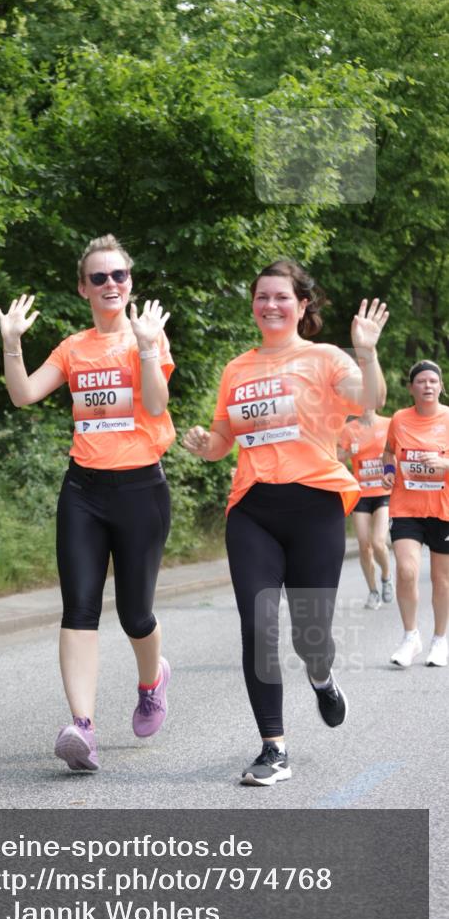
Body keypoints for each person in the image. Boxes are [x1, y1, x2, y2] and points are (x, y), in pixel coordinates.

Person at [183, 260, 388, 786]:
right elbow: (223, 440)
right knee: (258, 626)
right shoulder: (236, 368)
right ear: (253, 305)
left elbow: (370, 399)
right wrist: (206, 444)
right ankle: (273, 748)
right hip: (253, 509)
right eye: (262, 296)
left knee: (311, 636)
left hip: (315, 507)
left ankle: (321, 676)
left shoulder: (325, 358)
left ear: (301, 305)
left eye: (281, 297)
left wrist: (366, 352)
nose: (270, 305)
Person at [0, 235, 175, 772]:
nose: (110, 284)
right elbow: (24, 394)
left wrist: (148, 347)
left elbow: (156, 404)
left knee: (136, 615)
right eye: (99, 277)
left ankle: (152, 681)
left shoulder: (146, 337)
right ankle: (83, 727)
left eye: (118, 275)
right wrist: (11, 343)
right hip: (84, 492)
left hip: (141, 490)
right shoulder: (73, 347)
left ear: (130, 282)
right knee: (79, 608)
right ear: (84, 288)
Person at [383, 359, 449, 668]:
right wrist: (387, 471)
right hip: (406, 507)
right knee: (407, 571)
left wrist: (444, 464)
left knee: (441, 579)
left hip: (443, 508)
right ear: (411, 388)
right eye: (421, 381)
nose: (427, 386)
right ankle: (411, 637)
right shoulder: (399, 419)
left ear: (441, 386)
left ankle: (440, 639)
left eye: (432, 381)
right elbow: (388, 452)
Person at [338, 410, 393, 609]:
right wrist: (349, 453)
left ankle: (386, 576)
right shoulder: (348, 429)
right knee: (364, 545)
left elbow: (398, 452)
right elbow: (336, 459)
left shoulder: (388, 424)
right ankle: (373, 592)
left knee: (378, 542)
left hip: (383, 491)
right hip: (361, 494)